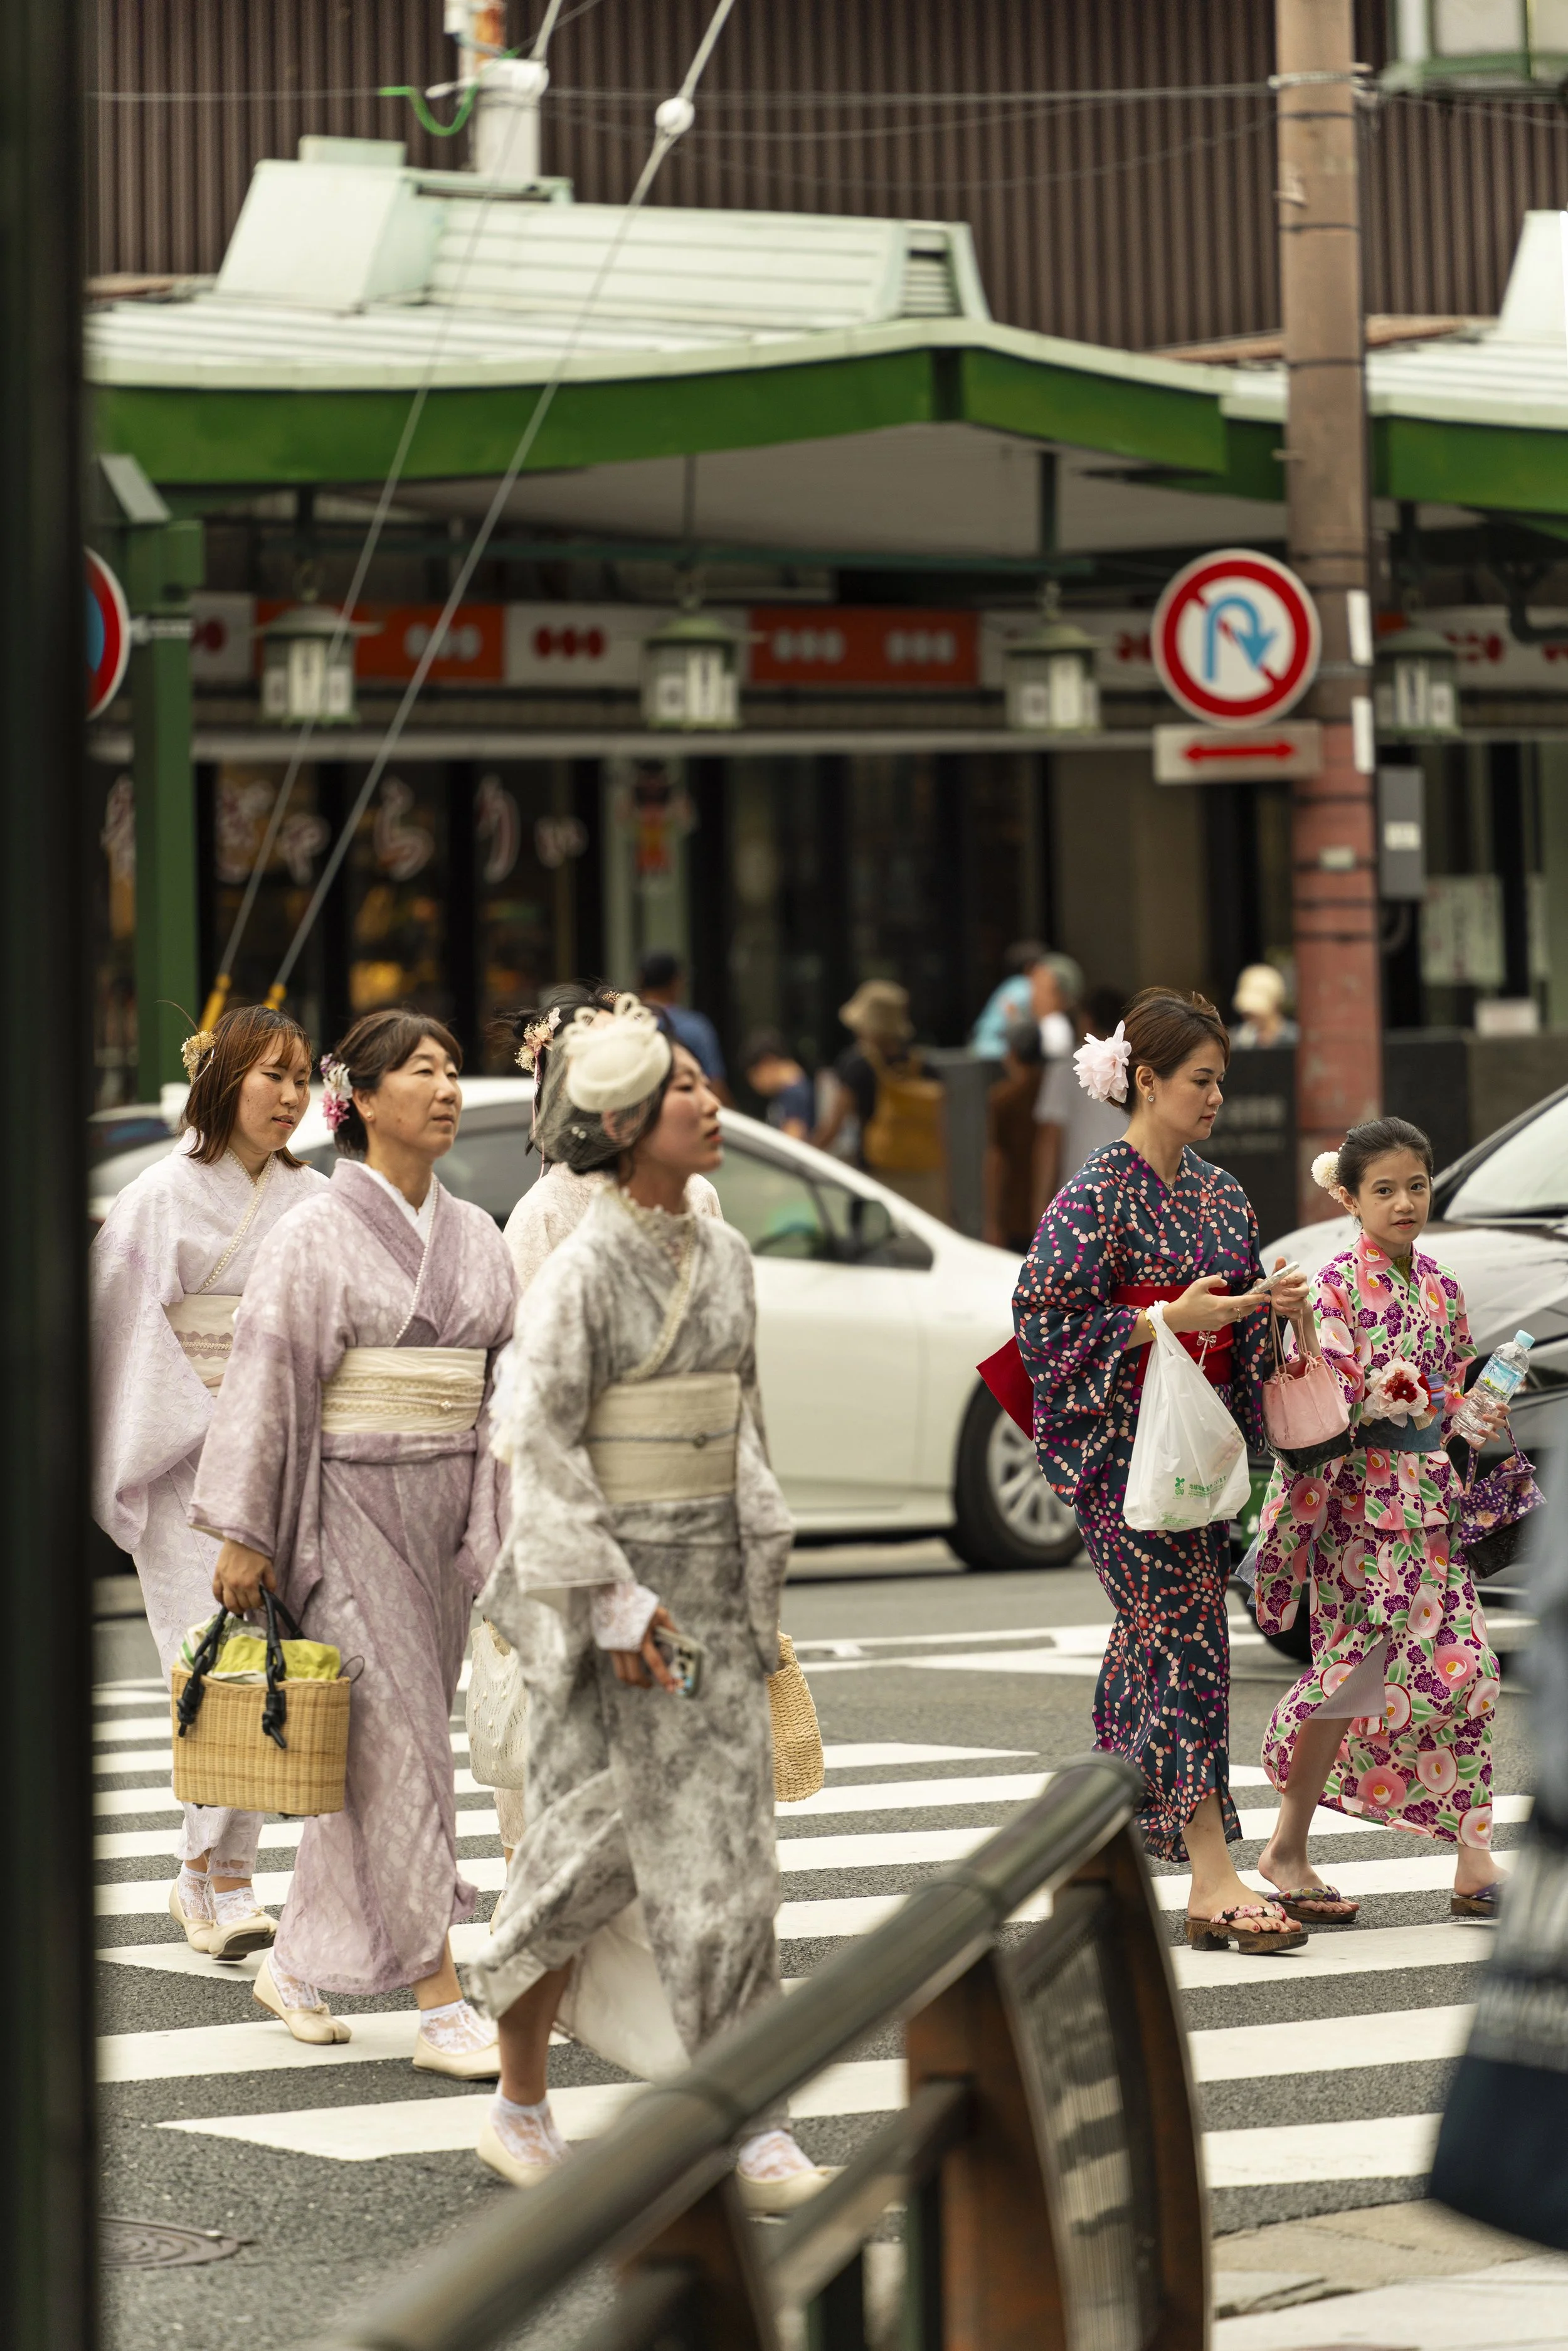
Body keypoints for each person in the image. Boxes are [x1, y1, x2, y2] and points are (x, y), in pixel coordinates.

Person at [467, 1001, 829, 2212]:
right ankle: (520, 2099)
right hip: (606, 1597)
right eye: (685, 1090)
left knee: (734, 1861)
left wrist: (754, 1580)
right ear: (623, 1122)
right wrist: (613, 1600)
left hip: (710, 1590)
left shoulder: (724, 1254)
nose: (711, 1102)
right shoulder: (574, 1267)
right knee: (580, 1853)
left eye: (708, 1085)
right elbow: (541, 1440)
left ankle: (752, 2111)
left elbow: (750, 1425)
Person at [189, 1010, 518, 2074]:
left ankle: (294, 1959)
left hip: (448, 1511)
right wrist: (249, 1528)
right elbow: (270, 1381)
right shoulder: (314, 1233)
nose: (446, 1086)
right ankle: (439, 1995)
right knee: (409, 1748)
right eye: (420, 1070)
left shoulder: (476, 1233)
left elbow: (505, 1382)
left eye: (453, 1068)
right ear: (363, 1100)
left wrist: (498, 1513)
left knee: (377, 1753)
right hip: (349, 1512)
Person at [1014, 987, 1312, 1953]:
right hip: (1126, 1455)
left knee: (1155, 1642)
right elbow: (1042, 1322)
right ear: (1144, 1081)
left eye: (1221, 1080)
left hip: (1204, 1451)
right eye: (1199, 1079)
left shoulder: (1223, 1193)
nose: (1216, 1096)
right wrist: (1161, 1323)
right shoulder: (1095, 1193)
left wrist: (1269, 1311)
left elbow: (1240, 1321)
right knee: (1187, 1637)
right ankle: (1212, 1874)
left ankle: (1095, 1835)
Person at [1249, 1118, 1541, 1923]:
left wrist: (1471, 1411)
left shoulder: (1442, 1286)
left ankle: (1473, 1859)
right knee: (1353, 1677)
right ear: (1348, 1197)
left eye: (1415, 1185)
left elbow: (1449, 1388)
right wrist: (1339, 1363)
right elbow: (1323, 1396)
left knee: (1469, 1668)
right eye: (1384, 1189)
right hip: (1359, 1506)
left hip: (1429, 1502)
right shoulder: (1335, 1283)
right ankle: (1287, 1845)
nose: (1404, 1202)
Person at [92, 1006, 327, 1962]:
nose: (290, 1095)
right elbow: (121, 1324)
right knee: (207, 1663)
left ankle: (219, 1875)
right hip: (186, 1450)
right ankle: (213, 1876)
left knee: (269, 1659)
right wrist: (197, 1416)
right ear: (223, 1082)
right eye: (271, 1075)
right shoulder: (158, 1196)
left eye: (302, 1077)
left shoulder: (317, 1200)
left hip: (273, 1453)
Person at [492, 980, 723, 1860]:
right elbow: (527, 1409)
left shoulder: (705, 1213)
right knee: (580, 1760)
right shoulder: (545, 1216)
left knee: (682, 1746)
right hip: (591, 1511)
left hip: (690, 1513)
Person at [814, 979, 946, 1219]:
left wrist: (801, 1152)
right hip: (924, 1180)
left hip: (878, 1179)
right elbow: (939, 1135)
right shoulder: (925, 1067)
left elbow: (832, 1129)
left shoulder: (857, 1065)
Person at [1032, 983, 1131, 1215]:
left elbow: (1049, 1139)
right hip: (1136, 1191)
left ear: (1087, 1020)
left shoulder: (1065, 1069)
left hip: (1080, 1196)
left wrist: (1040, 1207)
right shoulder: (1142, 1069)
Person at [982, 1019, 1047, 1253]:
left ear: (1013, 1053)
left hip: (1016, 1213)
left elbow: (996, 1161)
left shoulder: (1004, 1099)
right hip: (1060, 1205)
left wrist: (992, 1220)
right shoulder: (1053, 1090)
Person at [635, 948, 729, 1098]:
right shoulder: (694, 1027)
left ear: (640, 980)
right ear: (676, 982)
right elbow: (716, 1086)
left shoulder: (625, 1023)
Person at [741, 1029, 814, 1141]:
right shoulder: (786, 1092)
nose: (754, 1085)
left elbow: (792, 1142)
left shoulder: (793, 1094)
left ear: (767, 1062)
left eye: (754, 1075)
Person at [1231, 963, 1298, 1049]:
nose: (1250, 1016)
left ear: (1275, 1004)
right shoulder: (1237, 1040)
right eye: (1249, 1012)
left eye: (1256, 1011)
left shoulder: (1295, 1038)